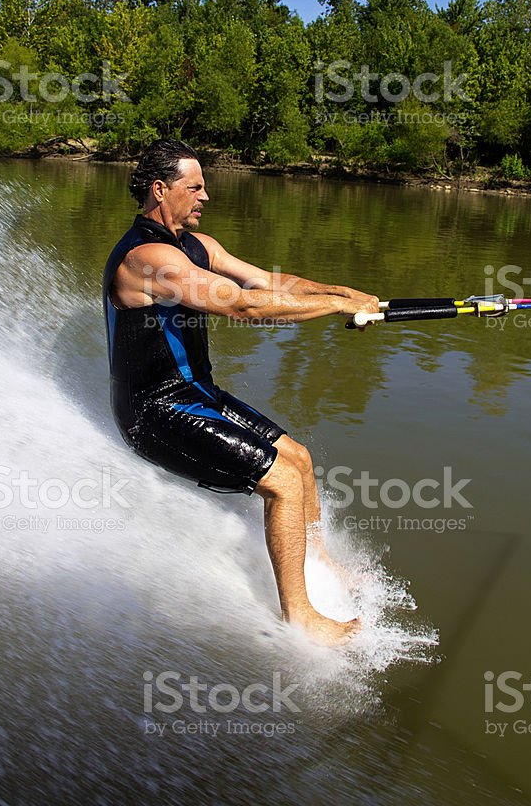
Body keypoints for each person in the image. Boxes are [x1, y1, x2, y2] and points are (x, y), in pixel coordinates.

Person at [102, 139, 380, 646]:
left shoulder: (199, 246)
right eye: (196, 186)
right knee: (283, 483)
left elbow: (269, 282)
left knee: (298, 459)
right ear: (161, 190)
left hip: (194, 392)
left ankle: (319, 565)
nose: (206, 195)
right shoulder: (146, 259)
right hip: (153, 412)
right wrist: (335, 309)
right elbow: (244, 307)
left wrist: (342, 293)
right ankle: (300, 616)